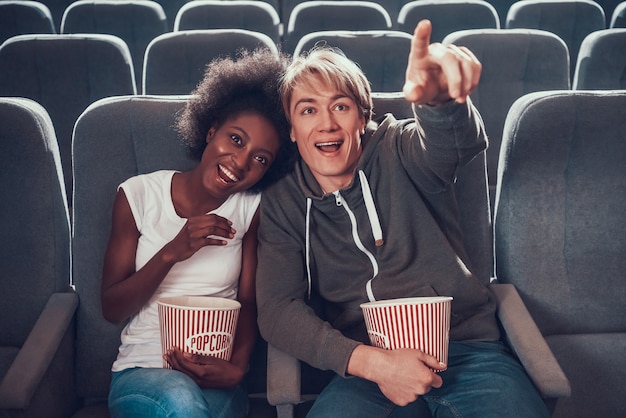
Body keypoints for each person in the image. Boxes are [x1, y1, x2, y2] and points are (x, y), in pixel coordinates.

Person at [256, 20, 550, 417]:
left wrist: (440, 103)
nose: (326, 123)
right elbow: (278, 310)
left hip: (466, 351)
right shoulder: (284, 197)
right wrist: (373, 363)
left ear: (363, 118)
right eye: (308, 110)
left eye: (340, 106)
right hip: (364, 368)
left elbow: (451, 145)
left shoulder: (400, 147)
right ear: (292, 130)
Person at [101, 48, 294, 418]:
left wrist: (237, 367)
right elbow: (112, 308)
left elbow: (250, 302)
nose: (240, 163)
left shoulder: (250, 210)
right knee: (181, 405)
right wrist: (173, 251)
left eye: (260, 159)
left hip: (215, 375)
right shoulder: (138, 195)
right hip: (143, 371)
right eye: (236, 140)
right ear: (210, 130)